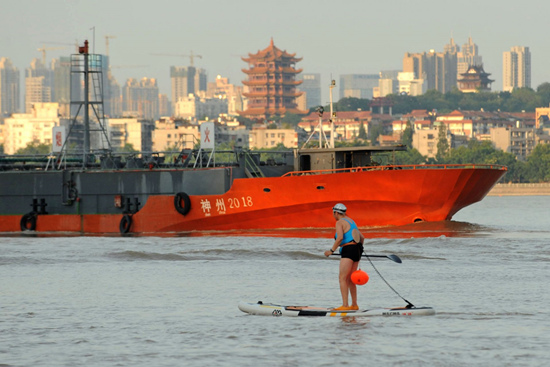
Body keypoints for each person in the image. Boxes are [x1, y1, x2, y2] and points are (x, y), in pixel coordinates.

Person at [324, 203, 364, 311]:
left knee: (342, 278)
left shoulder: (339, 222)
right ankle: (354, 305)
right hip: (357, 250)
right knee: (351, 279)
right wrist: (359, 249)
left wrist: (331, 251)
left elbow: (340, 238)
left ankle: (345, 306)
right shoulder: (351, 221)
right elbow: (362, 238)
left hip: (348, 250)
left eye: (333, 213)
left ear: (336, 212)